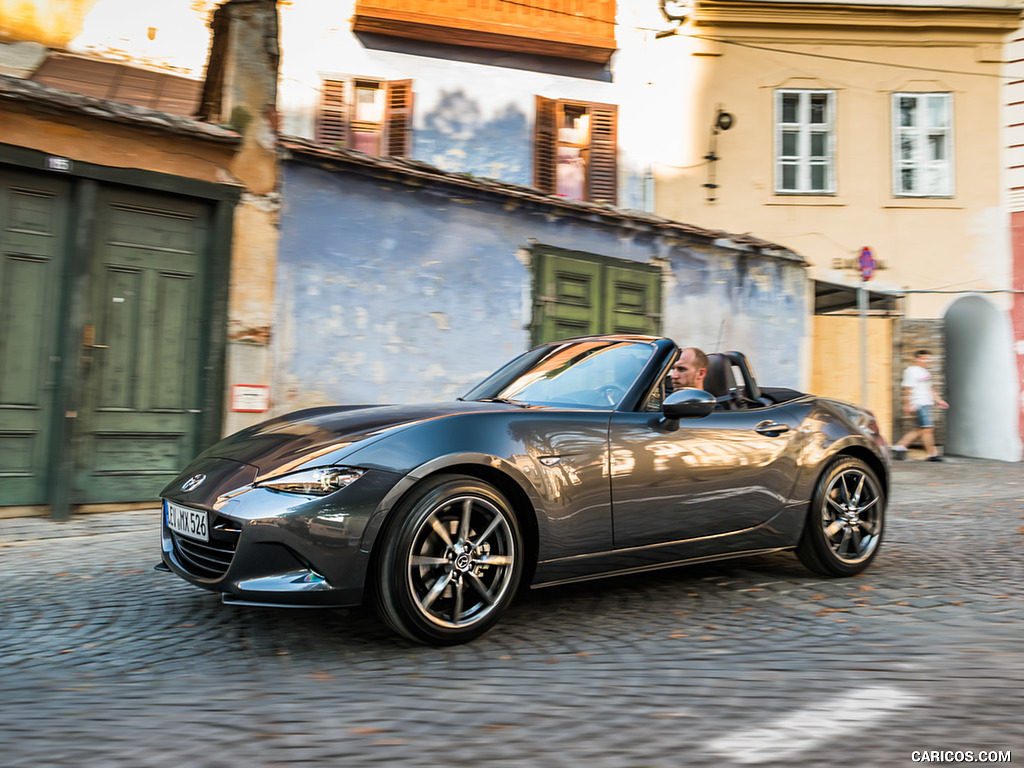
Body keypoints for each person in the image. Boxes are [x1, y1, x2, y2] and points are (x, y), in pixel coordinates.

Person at [892, 349, 948, 462]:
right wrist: (908, 404)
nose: (927, 360)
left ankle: (899, 447)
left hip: (926, 402)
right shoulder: (911, 371)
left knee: (920, 429)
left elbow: (930, 388)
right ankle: (932, 454)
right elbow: (908, 389)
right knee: (927, 429)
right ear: (917, 358)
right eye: (924, 358)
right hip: (919, 403)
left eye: (928, 358)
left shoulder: (925, 372)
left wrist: (939, 400)